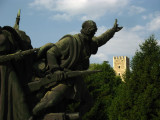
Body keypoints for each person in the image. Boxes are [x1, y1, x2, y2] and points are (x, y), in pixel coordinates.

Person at [32, 19, 123, 118]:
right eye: (90, 30)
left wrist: (112, 30)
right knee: (51, 101)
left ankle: (74, 116)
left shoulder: (90, 43)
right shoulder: (70, 41)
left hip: (76, 78)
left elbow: (101, 39)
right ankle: (31, 115)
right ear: (84, 29)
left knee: (88, 102)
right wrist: (56, 70)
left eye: (94, 30)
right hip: (63, 78)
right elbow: (51, 52)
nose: (92, 32)